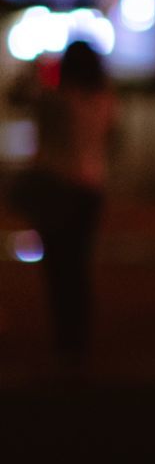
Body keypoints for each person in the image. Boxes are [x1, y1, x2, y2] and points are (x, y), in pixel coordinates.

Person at [21, 40, 115, 362]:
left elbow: (21, 98)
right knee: (78, 264)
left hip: (57, 187)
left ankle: (66, 336)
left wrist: (36, 71)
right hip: (90, 187)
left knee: (59, 267)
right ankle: (78, 335)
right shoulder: (104, 101)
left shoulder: (57, 101)